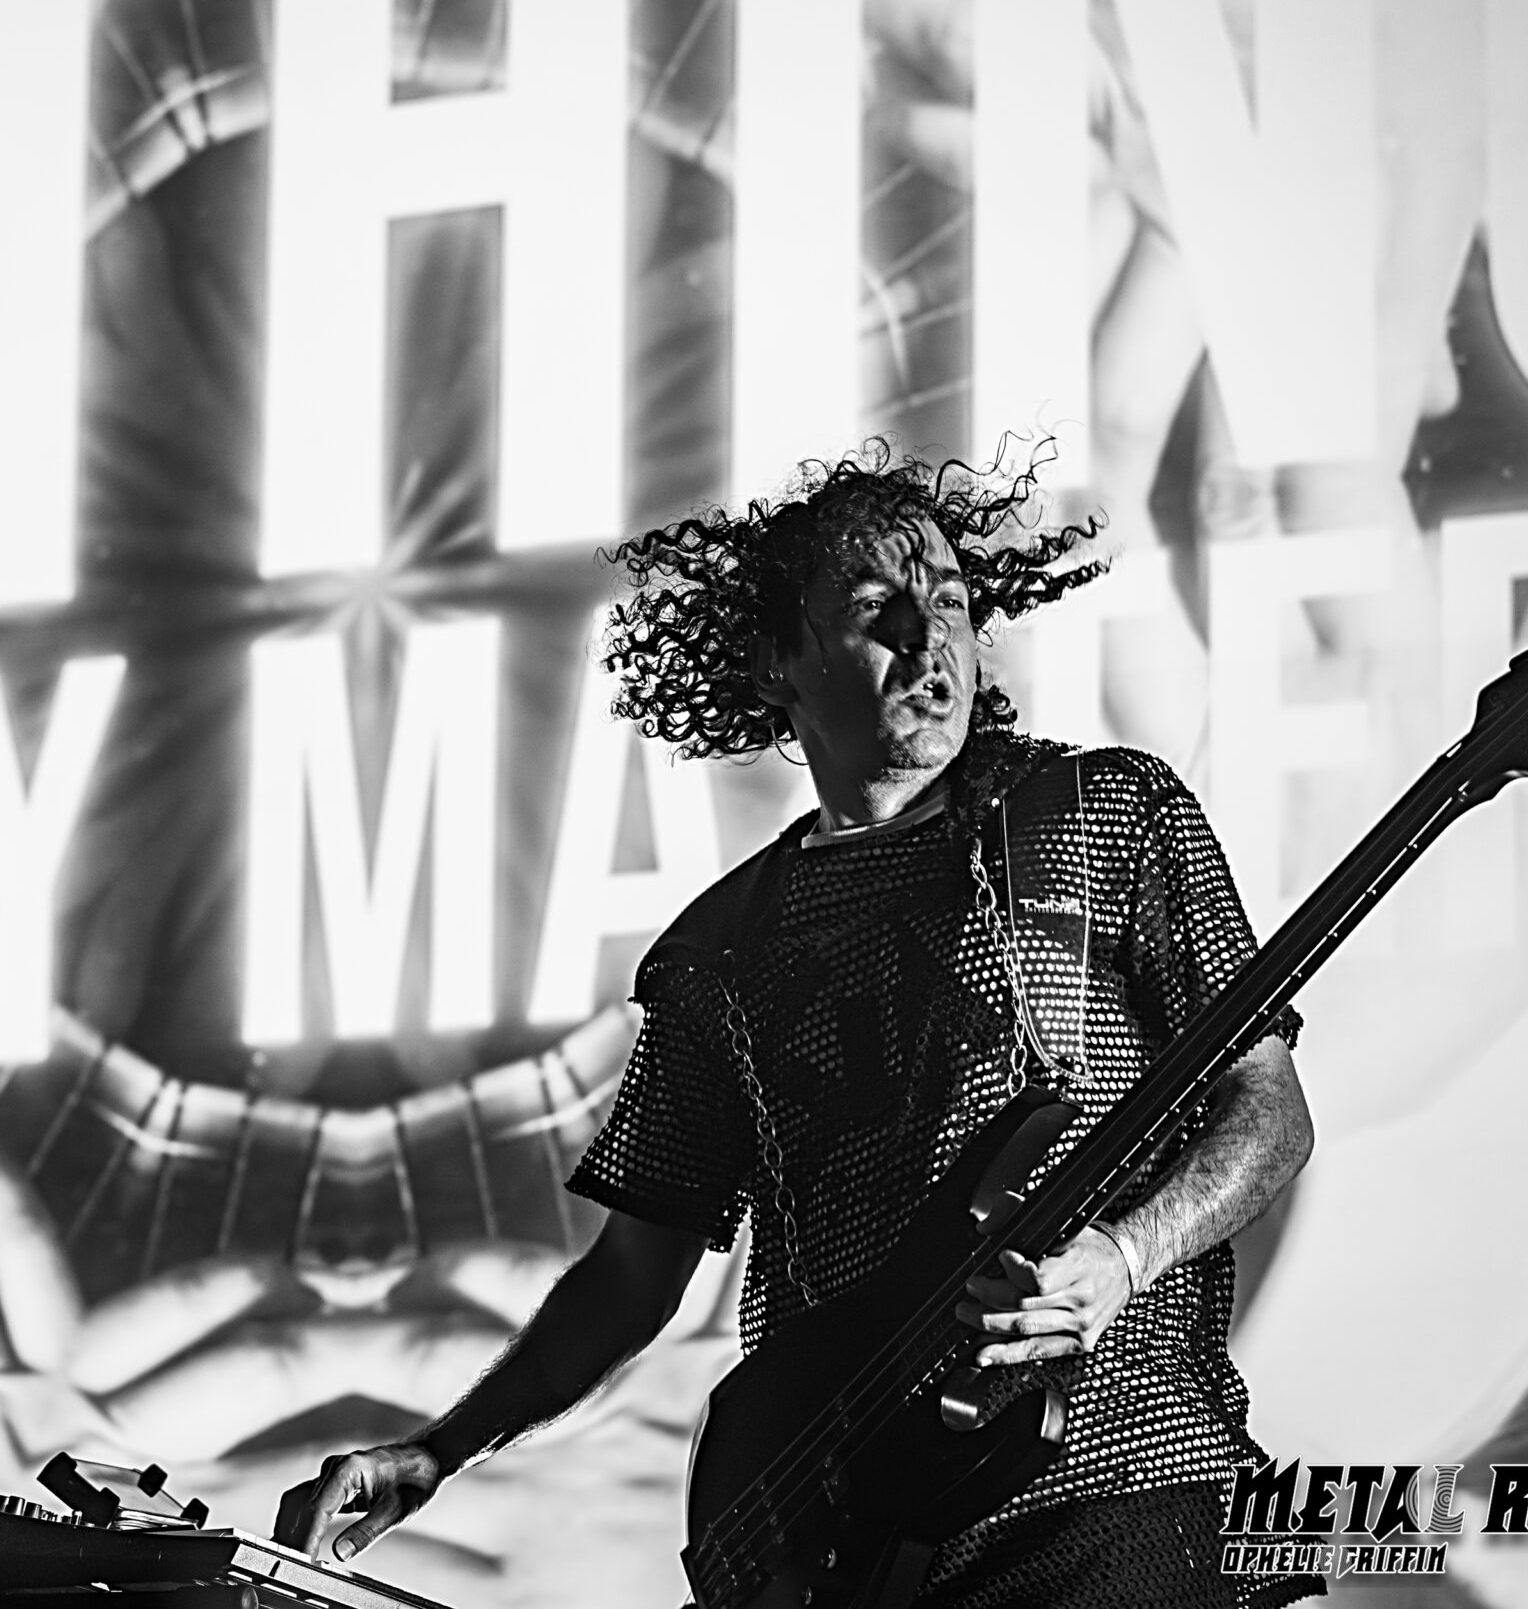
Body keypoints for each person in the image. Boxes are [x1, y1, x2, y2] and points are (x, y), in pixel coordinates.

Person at [276, 443, 1321, 1608]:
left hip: (1116, 1491)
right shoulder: (717, 949)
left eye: (951, 604)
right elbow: (631, 1275)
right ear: (775, 659)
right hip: (852, 1538)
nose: (929, 642)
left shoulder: (1102, 810)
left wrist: (1122, 1259)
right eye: (878, 611)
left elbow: (1266, 1110)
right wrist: (438, 1451)